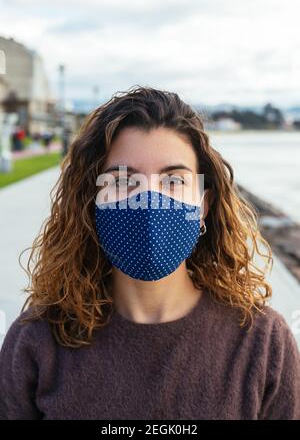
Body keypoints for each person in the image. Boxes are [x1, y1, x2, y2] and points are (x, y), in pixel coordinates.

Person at [0, 86, 299, 420]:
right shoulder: (37, 342)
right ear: (92, 203)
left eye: (173, 181)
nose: (150, 202)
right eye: (124, 180)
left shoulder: (261, 342)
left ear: (204, 205)